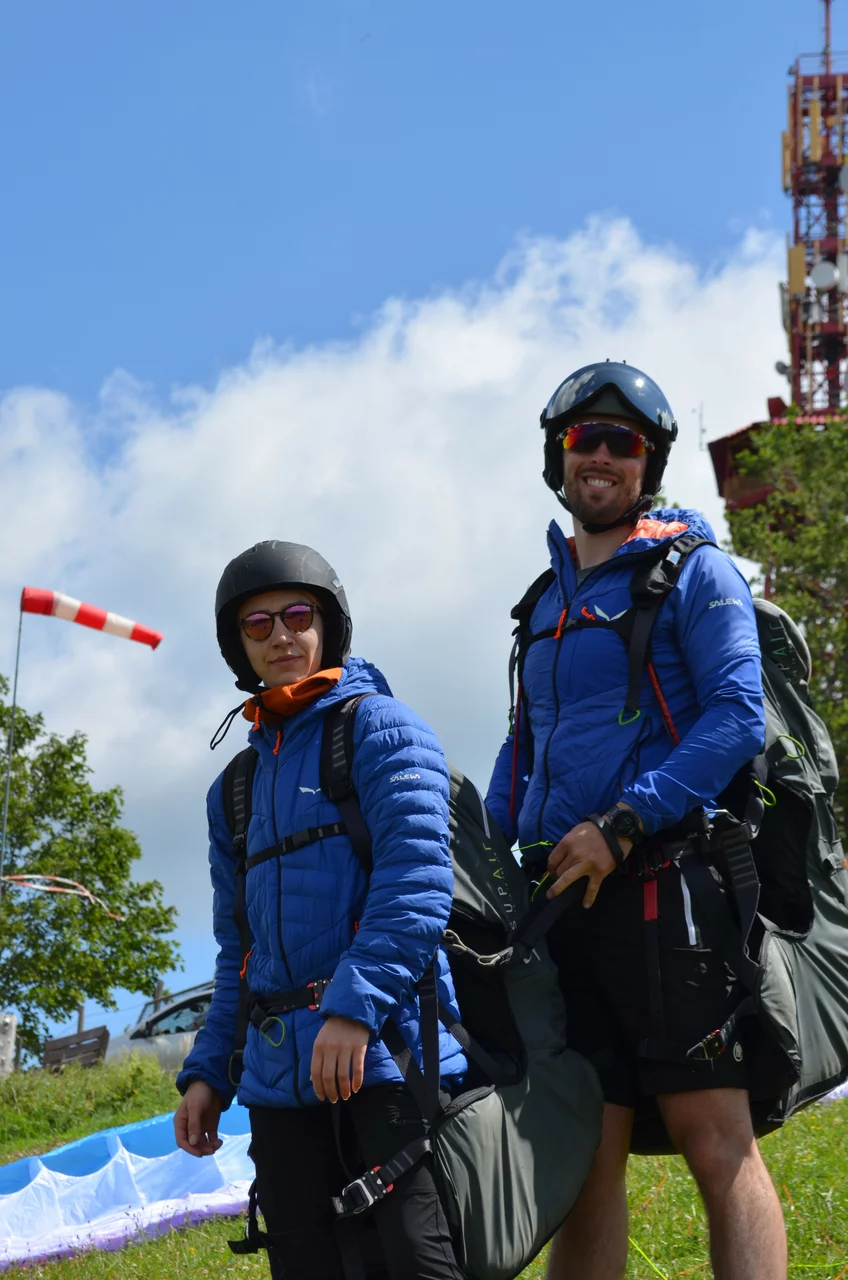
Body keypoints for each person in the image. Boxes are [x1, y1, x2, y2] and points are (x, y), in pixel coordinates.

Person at [486, 363, 787, 1280]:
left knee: (713, 1132)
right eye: (587, 439)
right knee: (588, 1153)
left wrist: (624, 823)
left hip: (670, 887)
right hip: (561, 903)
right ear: (559, 455)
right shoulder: (541, 604)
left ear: (649, 463)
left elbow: (738, 717)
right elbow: (522, 749)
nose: (605, 456)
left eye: (627, 442)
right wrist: (485, 860)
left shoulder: (693, 572)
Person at [174, 540, 466, 1280]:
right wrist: (209, 1070)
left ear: (328, 625)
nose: (280, 635)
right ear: (237, 645)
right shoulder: (231, 792)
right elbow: (236, 948)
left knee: (417, 1264)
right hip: (277, 1077)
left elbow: (418, 883)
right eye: (258, 624)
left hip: (387, 1057)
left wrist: (354, 1008)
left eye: (297, 615)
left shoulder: (383, 729)